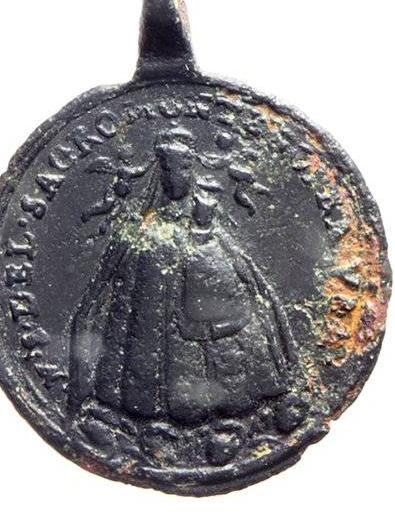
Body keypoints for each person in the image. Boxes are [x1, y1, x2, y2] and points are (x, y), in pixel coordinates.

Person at [67, 127, 295, 428]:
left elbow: (239, 277)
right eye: (169, 169)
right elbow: (102, 286)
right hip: (145, 329)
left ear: (192, 170)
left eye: (183, 168)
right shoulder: (139, 225)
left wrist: (202, 233)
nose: (176, 177)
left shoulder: (208, 220)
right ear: (159, 173)